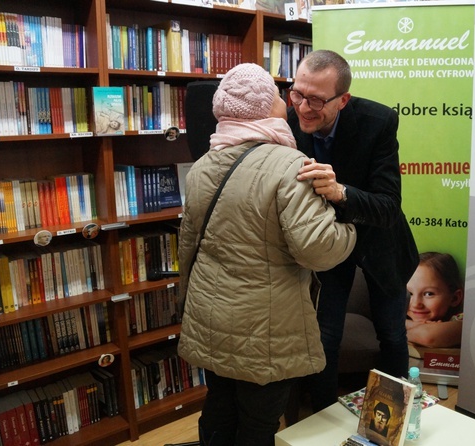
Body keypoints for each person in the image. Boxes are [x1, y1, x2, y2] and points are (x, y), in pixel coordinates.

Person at [177, 63, 356, 446]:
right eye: (277, 96)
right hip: (266, 327)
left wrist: (186, 304)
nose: (284, 102)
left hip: (211, 314)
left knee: (220, 406)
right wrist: (349, 227)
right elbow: (319, 250)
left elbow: (188, 248)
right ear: (263, 108)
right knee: (259, 423)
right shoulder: (288, 166)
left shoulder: (201, 167)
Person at [288, 49, 419, 412]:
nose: (302, 107)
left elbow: (388, 206)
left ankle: (393, 419)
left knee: (392, 335)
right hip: (327, 244)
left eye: (316, 99)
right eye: (298, 93)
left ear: (343, 99)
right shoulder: (285, 120)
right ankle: (322, 420)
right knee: (325, 336)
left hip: (381, 242)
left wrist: (340, 191)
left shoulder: (378, 121)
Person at [406, 252, 464, 348]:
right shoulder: (399, 317)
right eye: (409, 294)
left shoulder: (462, 323)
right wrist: (410, 324)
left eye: (429, 294)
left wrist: (403, 329)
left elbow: (428, 336)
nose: (416, 304)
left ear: (455, 298)